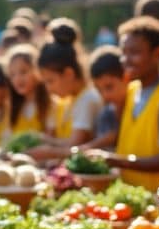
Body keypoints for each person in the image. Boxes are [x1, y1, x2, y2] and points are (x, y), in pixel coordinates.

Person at [92, 17, 159, 190]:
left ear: (157, 54)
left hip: (158, 201)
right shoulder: (132, 90)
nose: (126, 60)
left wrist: (114, 160)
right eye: (123, 53)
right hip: (128, 197)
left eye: (134, 53)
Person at [26, 20, 104, 158]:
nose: (48, 89)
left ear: (68, 73)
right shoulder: (67, 100)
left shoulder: (88, 99)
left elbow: (74, 146)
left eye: (51, 81)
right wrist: (42, 139)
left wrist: (47, 151)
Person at [3, 44, 55, 144]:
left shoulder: (50, 104)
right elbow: (7, 140)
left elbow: (50, 140)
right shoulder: (12, 107)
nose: (17, 79)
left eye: (23, 72)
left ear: (37, 71)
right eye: (12, 75)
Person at [82, 46, 128, 150]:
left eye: (109, 87)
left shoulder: (139, 107)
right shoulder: (106, 114)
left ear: (126, 78)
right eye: (99, 90)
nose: (105, 95)